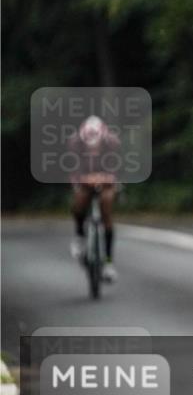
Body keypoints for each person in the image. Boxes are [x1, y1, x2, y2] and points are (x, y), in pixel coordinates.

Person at [68, 115, 121, 282]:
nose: (92, 150)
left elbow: (117, 168)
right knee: (79, 201)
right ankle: (79, 235)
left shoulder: (112, 142)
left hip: (105, 178)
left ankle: (108, 262)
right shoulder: (75, 142)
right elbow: (72, 169)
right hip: (85, 178)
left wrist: (106, 178)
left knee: (106, 208)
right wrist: (84, 179)